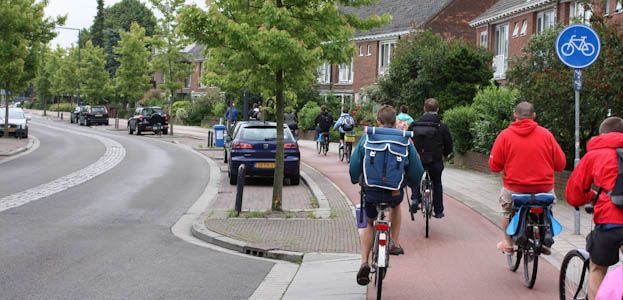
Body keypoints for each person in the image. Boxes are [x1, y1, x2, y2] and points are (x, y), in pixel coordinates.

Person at [349, 105, 424, 286]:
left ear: (378, 121)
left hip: (371, 191)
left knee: (368, 222)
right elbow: (416, 171)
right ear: (395, 121)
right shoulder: (405, 139)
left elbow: (355, 163)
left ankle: (364, 262)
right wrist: (414, 185)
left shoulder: (369, 136)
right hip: (393, 193)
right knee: (397, 205)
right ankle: (394, 243)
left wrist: (354, 178)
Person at [489, 101, 566, 254]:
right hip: (543, 188)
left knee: (506, 212)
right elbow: (561, 164)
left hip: (515, 188)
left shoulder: (505, 136)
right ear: (534, 116)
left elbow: (494, 166)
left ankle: (508, 244)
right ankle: (545, 238)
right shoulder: (546, 135)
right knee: (547, 207)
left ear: (514, 115)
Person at [565, 117, 623, 300]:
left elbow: (574, 194)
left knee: (597, 269)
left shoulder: (594, 155)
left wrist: (591, 197)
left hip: (609, 221)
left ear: (602, 134)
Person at [408, 98, 453, 219]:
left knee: (415, 178)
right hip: (435, 160)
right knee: (437, 183)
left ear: (424, 108)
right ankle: (438, 211)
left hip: (418, 160)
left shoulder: (414, 125)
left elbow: (407, 141)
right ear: (437, 110)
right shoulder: (442, 126)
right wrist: (445, 154)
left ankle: (415, 199)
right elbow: (449, 145)